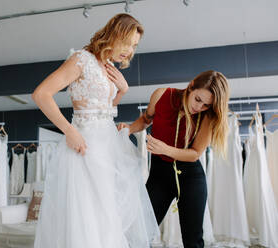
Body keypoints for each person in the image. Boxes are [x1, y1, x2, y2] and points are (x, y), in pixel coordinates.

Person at [32, 13, 160, 248]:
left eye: (134, 46)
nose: (130, 51)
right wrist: (69, 131)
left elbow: (103, 109)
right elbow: (41, 94)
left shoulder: (109, 67)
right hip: (84, 146)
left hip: (107, 149)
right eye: (128, 43)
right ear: (114, 34)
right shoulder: (81, 59)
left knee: (106, 217)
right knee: (86, 216)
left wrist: (121, 91)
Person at [119, 70, 230, 248]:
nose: (199, 107)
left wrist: (165, 149)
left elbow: (195, 154)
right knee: (141, 233)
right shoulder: (162, 95)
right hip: (159, 174)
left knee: (192, 239)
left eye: (206, 105)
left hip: (191, 177)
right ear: (191, 85)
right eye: (198, 99)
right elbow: (146, 120)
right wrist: (130, 128)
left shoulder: (208, 116)